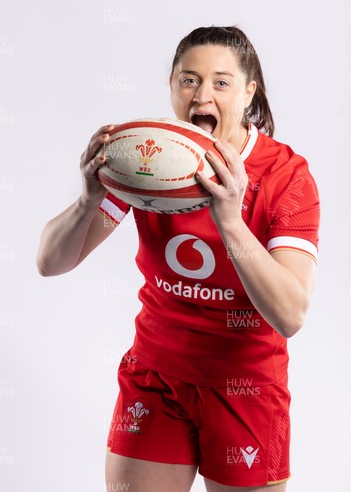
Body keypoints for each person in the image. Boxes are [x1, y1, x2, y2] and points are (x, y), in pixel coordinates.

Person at [36, 26, 320, 492]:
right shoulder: (149, 161)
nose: (202, 94)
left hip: (244, 386)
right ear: (171, 85)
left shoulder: (286, 176)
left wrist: (230, 220)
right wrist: (89, 199)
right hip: (156, 376)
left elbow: (291, 313)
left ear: (249, 92)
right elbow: (50, 261)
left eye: (221, 83)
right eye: (189, 80)